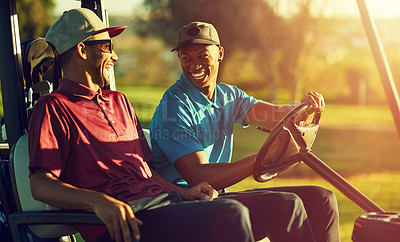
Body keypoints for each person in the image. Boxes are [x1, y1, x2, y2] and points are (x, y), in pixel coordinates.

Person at [28, 9, 256, 242]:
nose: (114, 57)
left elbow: (147, 172)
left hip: (161, 205)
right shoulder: (53, 107)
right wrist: (98, 201)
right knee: (230, 214)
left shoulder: (119, 102)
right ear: (82, 50)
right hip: (125, 222)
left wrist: (184, 194)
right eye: (107, 47)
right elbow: (40, 184)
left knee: (272, 205)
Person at [149, 21, 341, 241]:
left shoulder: (227, 96)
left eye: (203, 56)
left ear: (219, 53)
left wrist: (302, 110)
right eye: (187, 58)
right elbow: (197, 176)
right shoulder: (173, 108)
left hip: (217, 196)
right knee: (286, 205)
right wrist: (261, 159)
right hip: (185, 204)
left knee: (321, 198)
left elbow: (273, 115)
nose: (195, 65)